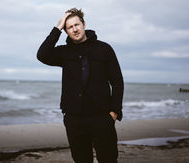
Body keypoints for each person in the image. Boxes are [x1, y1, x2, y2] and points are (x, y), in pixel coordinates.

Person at [37, 8, 124, 163]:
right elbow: (42, 55)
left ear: (84, 24)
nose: (75, 29)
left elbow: (117, 82)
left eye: (77, 24)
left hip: (102, 118)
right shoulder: (63, 53)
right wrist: (57, 27)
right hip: (74, 120)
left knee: (109, 159)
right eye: (69, 27)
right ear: (66, 31)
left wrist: (114, 113)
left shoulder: (104, 49)